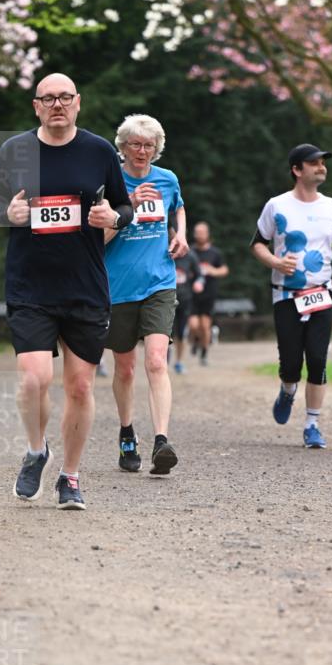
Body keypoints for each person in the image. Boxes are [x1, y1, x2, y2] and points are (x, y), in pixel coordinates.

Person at [0, 72, 133, 509]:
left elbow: (123, 204)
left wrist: (115, 218)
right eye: (48, 98)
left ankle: (70, 476)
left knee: (80, 388)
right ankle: (36, 451)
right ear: (36, 106)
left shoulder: (99, 150)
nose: (57, 105)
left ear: (77, 102)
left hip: (85, 286)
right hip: (30, 283)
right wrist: (6, 211)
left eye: (65, 97)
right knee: (34, 379)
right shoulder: (16, 150)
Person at [251, 143, 332, 449]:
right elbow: (258, 243)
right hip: (286, 294)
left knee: (318, 359)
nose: (321, 166)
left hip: (322, 293)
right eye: (314, 163)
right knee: (291, 364)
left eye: (323, 162)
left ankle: (312, 424)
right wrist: (274, 262)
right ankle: (287, 389)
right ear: (297, 170)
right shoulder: (277, 205)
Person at [103, 114, 188, 475]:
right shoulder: (108, 184)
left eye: (149, 145)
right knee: (125, 368)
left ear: (157, 149)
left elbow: (178, 205)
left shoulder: (167, 179)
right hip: (117, 285)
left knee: (156, 359)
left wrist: (180, 233)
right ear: (122, 147)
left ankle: (161, 441)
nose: (142, 151)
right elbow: (98, 238)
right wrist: (129, 206)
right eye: (135, 144)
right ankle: (126, 433)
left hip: (159, 282)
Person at [187, 221, 228, 365]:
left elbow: (224, 270)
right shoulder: (190, 251)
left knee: (205, 326)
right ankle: (197, 340)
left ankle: (203, 353)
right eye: (197, 232)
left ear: (207, 234)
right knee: (193, 325)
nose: (199, 235)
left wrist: (213, 271)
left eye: (202, 232)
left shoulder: (215, 253)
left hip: (208, 294)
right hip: (192, 294)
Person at [173, 250, 205, 373]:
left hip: (185, 299)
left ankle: (179, 362)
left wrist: (199, 283)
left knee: (181, 333)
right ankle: (162, 362)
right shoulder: (162, 251)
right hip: (164, 300)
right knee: (165, 334)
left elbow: (200, 275)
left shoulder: (190, 256)